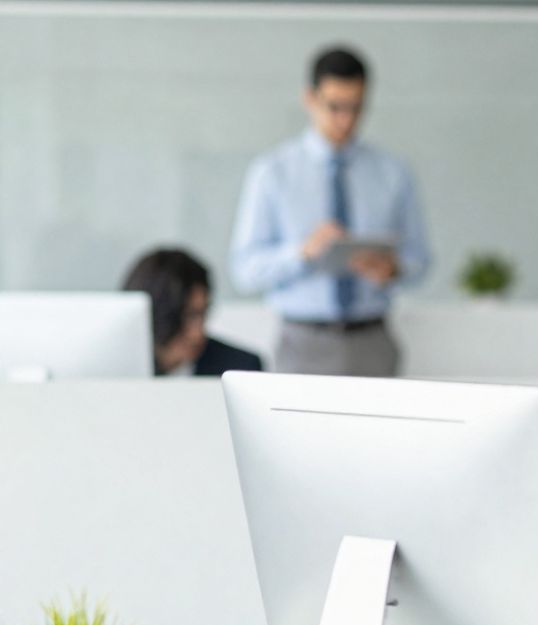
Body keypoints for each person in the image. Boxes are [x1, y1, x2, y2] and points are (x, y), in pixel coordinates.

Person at [228, 45, 430, 377]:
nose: (346, 120)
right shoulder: (272, 172)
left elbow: (421, 259)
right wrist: (302, 253)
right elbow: (245, 269)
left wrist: (395, 268)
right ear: (310, 98)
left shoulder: (393, 172)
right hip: (302, 342)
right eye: (335, 106)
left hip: (372, 339)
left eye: (356, 107)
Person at [121, 247, 263, 377]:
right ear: (154, 314)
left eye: (202, 314)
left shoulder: (240, 370)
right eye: (186, 316)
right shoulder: (116, 366)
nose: (197, 333)